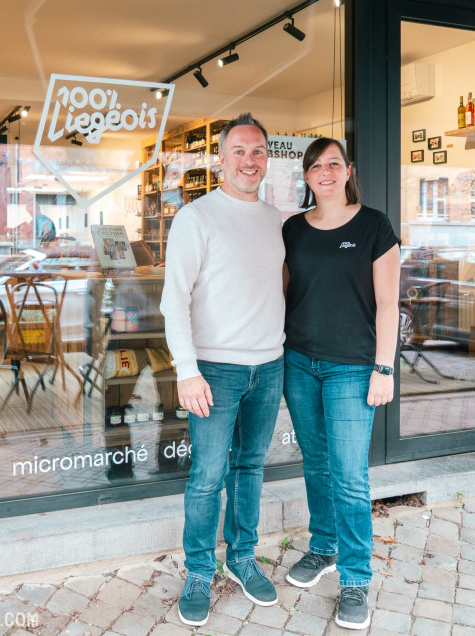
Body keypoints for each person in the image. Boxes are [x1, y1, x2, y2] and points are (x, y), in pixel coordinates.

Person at [160, 113, 285, 627]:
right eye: (239, 151)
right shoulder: (197, 217)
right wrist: (186, 371)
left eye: (257, 151)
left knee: (250, 469)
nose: (249, 160)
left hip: (269, 366)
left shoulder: (278, 220)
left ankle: (242, 557)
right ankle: (197, 569)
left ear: (266, 159)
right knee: (208, 476)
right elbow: (175, 299)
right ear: (221, 158)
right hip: (215, 371)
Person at [282, 138, 400, 630]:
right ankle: (323, 547)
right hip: (298, 362)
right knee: (316, 462)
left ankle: (355, 577)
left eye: (333, 163)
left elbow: (390, 304)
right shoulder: (292, 228)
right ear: (307, 177)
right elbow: (283, 294)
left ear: (348, 170)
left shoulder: (374, 225)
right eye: (315, 166)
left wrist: (384, 367)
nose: (324, 172)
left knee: (350, 476)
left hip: (352, 367)